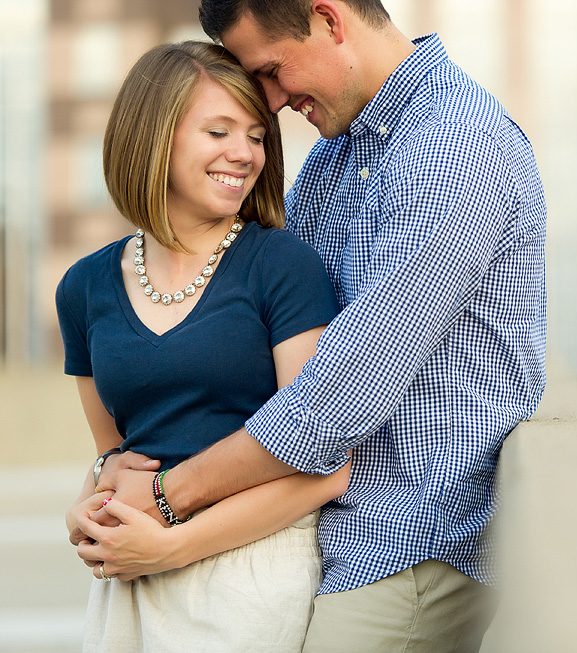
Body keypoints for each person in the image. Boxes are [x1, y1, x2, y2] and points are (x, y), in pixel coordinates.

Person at [80, 1, 548, 650]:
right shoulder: (338, 155)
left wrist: (163, 497)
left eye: (272, 71)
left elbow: (334, 400)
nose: (268, 103)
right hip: (321, 532)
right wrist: (109, 482)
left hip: (409, 541)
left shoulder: (452, 146)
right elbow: (253, 344)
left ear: (329, 19)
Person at [57, 40, 350, 652]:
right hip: (130, 581)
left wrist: (172, 546)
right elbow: (117, 458)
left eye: (256, 135)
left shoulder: (284, 268)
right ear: (154, 137)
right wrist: (85, 508)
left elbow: (324, 471)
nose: (243, 154)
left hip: (250, 572)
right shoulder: (84, 287)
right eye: (218, 131)